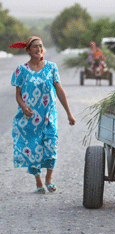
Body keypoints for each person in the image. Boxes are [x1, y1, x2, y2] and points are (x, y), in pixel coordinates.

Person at [9, 36, 76, 194]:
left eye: (40, 46)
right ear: (28, 50)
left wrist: (69, 113)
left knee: (51, 148)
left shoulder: (51, 67)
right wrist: (24, 107)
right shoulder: (21, 70)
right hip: (30, 118)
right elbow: (18, 95)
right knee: (33, 151)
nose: (38, 49)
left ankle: (49, 178)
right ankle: (38, 181)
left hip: (48, 116)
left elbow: (59, 90)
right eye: (35, 47)